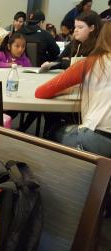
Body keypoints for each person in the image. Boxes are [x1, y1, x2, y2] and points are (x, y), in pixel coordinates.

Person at [35, 22, 111, 157]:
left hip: (99, 139)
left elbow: (41, 92)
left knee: (54, 130)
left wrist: (67, 89)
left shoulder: (91, 63)